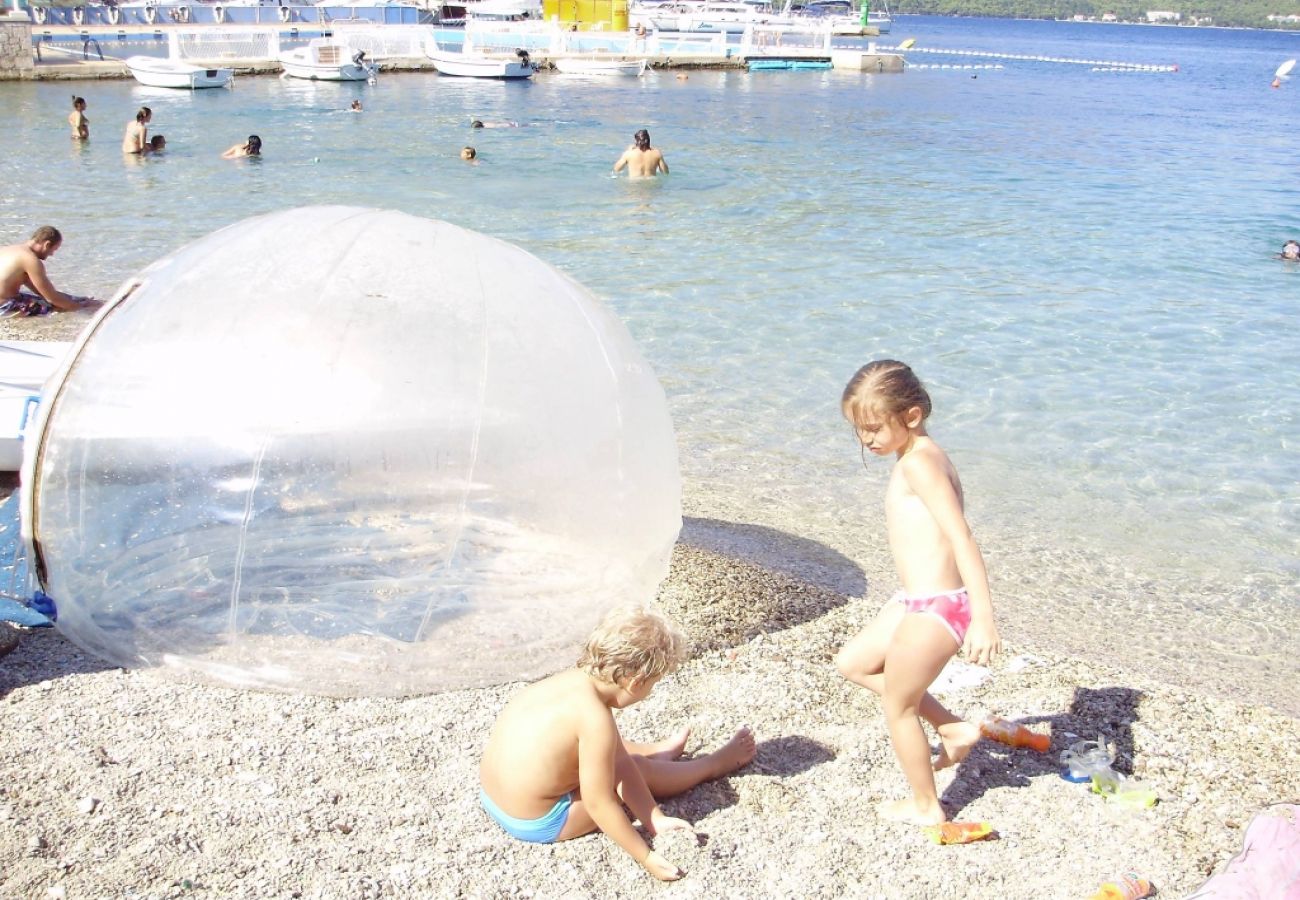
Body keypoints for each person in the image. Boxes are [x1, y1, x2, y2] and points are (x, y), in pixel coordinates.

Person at [834, 360, 1000, 827]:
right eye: (858, 431)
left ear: (910, 415)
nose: (866, 440)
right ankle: (953, 728)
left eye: (872, 428)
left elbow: (961, 537)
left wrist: (983, 618)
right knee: (853, 662)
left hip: (938, 607)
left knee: (899, 706)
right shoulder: (918, 455)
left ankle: (926, 805)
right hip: (914, 600)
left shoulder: (922, 464)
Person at [479, 605, 756, 881]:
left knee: (612, 754)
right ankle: (712, 764)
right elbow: (598, 803)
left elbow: (613, 756)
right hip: (538, 821)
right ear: (636, 682)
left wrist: (653, 818)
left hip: (493, 798)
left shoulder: (568, 682)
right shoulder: (595, 719)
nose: (650, 691)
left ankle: (657, 752)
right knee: (634, 768)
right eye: (653, 684)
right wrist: (645, 855)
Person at [0, 226, 94, 314]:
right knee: (62, 308)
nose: (52, 254)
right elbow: (52, 299)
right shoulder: (30, 260)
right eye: (53, 250)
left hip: (6, 299)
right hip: (4, 306)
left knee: (75, 301)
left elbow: (41, 291)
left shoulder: (7, 250)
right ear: (47, 244)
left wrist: (76, 300)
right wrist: (81, 308)